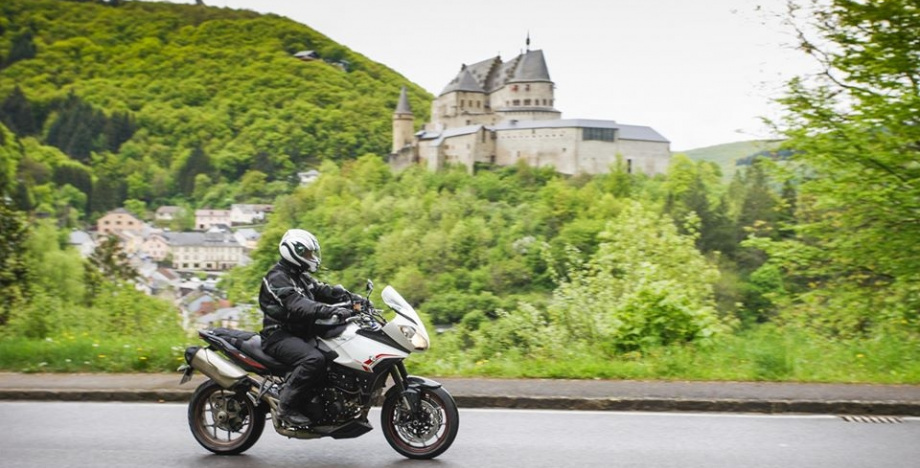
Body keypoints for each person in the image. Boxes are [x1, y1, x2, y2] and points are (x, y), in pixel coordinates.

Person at [259, 228, 368, 427]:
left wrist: (351, 298)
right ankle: (286, 407)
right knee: (313, 359)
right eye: (308, 254)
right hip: (278, 335)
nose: (312, 258)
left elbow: (321, 290)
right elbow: (298, 305)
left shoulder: (299, 276)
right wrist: (330, 311)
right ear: (294, 252)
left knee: (332, 356)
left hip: (299, 333)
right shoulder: (277, 278)